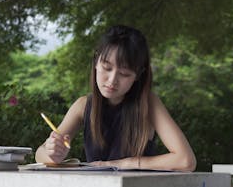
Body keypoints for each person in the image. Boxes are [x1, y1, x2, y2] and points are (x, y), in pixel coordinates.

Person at [35, 25, 196, 171]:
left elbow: (185, 161)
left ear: (137, 75)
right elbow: (39, 154)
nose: (112, 80)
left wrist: (123, 163)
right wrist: (53, 154)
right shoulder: (83, 105)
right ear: (96, 62)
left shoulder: (148, 103)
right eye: (107, 68)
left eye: (124, 74)